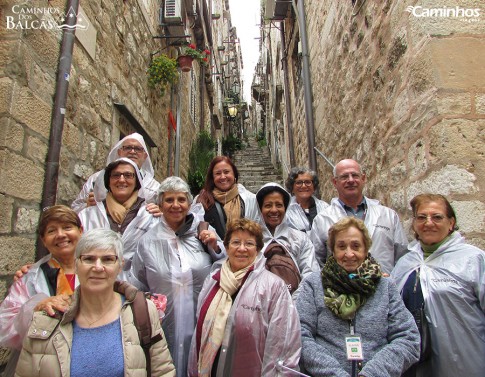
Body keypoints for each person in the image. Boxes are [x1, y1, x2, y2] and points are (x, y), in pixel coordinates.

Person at [15, 228, 176, 377]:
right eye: (89, 259)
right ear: (76, 264)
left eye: (107, 259)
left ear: (120, 266)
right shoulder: (47, 319)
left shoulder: (142, 312)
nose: (98, 267)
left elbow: (162, 371)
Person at [297, 217, 420, 376]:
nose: (349, 254)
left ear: (366, 249)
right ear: (333, 250)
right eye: (341, 246)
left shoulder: (384, 286)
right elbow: (301, 336)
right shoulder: (313, 285)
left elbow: (408, 338)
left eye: (356, 246)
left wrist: (373, 373)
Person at [130, 176, 226, 377]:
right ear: (160, 204)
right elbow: (137, 283)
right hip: (163, 325)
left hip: (201, 320)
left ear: (190, 204)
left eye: (181, 200)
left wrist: (215, 246)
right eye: (169, 200)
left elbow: (223, 265)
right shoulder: (147, 242)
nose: (176, 205)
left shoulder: (203, 233)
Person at [188, 218, 301, 376]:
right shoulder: (213, 280)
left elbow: (282, 343)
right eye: (235, 242)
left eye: (249, 243)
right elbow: (198, 335)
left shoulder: (273, 287)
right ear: (226, 247)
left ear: (258, 249)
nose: (242, 249)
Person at [391, 194, 485, 377]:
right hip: (415, 365)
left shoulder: (473, 259)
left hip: (465, 362)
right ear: (414, 225)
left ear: (451, 223)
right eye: (421, 217)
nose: (428, 223)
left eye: (437, 217)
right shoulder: (406, 262)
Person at [0, 206, 83, 376]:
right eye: (52, 230)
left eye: (67, 227)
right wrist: (36, 307)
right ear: (44, 240)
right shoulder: (30, 278)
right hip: (40, 363)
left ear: (81, 231)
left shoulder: (100, 269)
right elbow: (5, 326)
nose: (61, 235)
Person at [309, 159, 408, 273]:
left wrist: (392, 283)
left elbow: (402, 257)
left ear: (363, 178)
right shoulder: (322, 220)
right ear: (335, 182)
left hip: (384, 286)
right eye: (344, 176)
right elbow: (316, 263)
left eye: (355, 175)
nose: (350, 180)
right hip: (340, 289)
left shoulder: (388, 216)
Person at [78, 158, 158, 277]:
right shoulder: (88, 215)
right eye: (115, 175)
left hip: (137, 288)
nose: (121, 180)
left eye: (128, 175)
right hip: (95, 282)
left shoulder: (150, 215)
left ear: (137, 182)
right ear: (108, 181)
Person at [71, 132, 160, 213]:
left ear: (145, 156)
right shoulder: (97, 179)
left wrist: (160, 213)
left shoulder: (155, 188)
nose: (132, 152)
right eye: (128, 148)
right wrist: (87, 206)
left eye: (138, 149)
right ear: (119, 152)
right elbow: (74, 210)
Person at [256, 182, 319, 290]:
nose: (274, 210)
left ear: (286, 208)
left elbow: (310, 274)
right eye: (268, 205)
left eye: (279, 205)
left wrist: (294, 303)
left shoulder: (300, 238)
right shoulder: (252, 239)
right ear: (260, 209)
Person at [195, 156, 259, 239]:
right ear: (212, 177)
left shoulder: (250, 200)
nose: (223, 177)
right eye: (218, 173)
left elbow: (258, 229)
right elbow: (193, 229)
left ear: (234, 174)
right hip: (210, 251)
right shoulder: (202, 199)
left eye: (226, 172)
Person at [285, 167, 329, 232]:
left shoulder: (325, 207)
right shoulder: (286, 210)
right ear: (292, 187)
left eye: (308, 182)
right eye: (298, 182)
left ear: (314, 186)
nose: (303, 186)